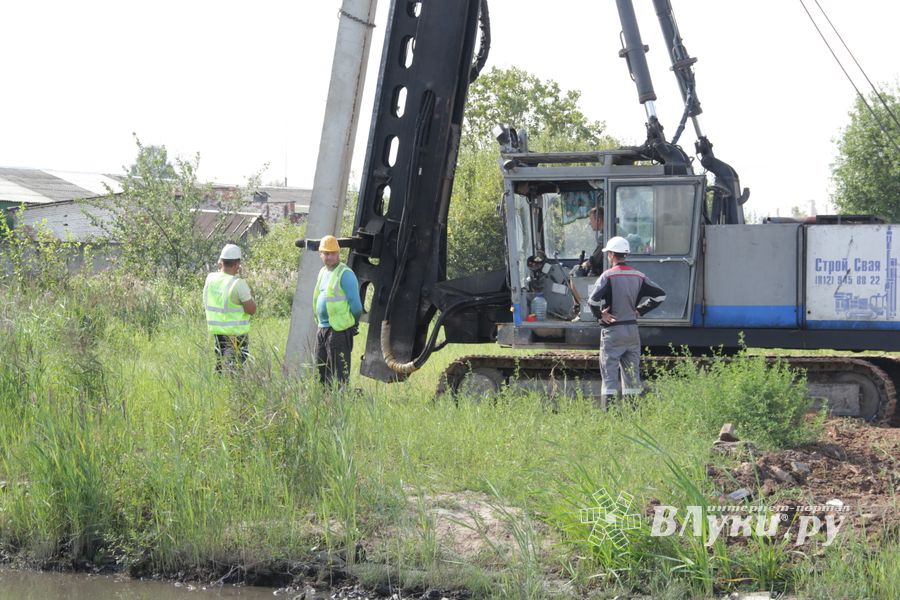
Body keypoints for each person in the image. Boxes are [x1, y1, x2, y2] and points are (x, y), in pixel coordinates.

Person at [587, 236, 666, 409]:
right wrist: (640, 310)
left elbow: (592, 301)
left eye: (608, 253)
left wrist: (601, 316)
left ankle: (611, 416)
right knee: (632, 377)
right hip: (632, 331)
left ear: (612, 255)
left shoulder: (607, 276)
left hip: (613, 331)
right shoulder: (639, 275)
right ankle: (633, 415)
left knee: (609, 376)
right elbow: (660, 295)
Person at [313, 234, 363, 387]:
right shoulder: (323, 272)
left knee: (339, 374)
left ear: (338, 253)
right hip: (323, 328)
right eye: (326, 253)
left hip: (338, 330)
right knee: (321, 371)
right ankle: (324, 403)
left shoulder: (345, 274)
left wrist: (351, 324)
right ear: (321, 254)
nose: (330, 257)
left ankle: (340, 405)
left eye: (333, 253)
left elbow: (356, 306)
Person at [204, 243, 257, 373]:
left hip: (218, 332)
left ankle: (219, 388)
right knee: (235, 370)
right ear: (237, 264)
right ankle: (233, 392)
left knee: (221, 365)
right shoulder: (238, 284)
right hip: (235, 334)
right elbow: (251, 310)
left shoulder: (210, 279)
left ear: (220, 261)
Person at [578, 206, 605, 276]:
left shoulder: (604, 237)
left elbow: (595, 260)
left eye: (591, 219)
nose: (589, 223)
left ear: (598, 220)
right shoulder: (608, 233)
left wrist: (585, 264)